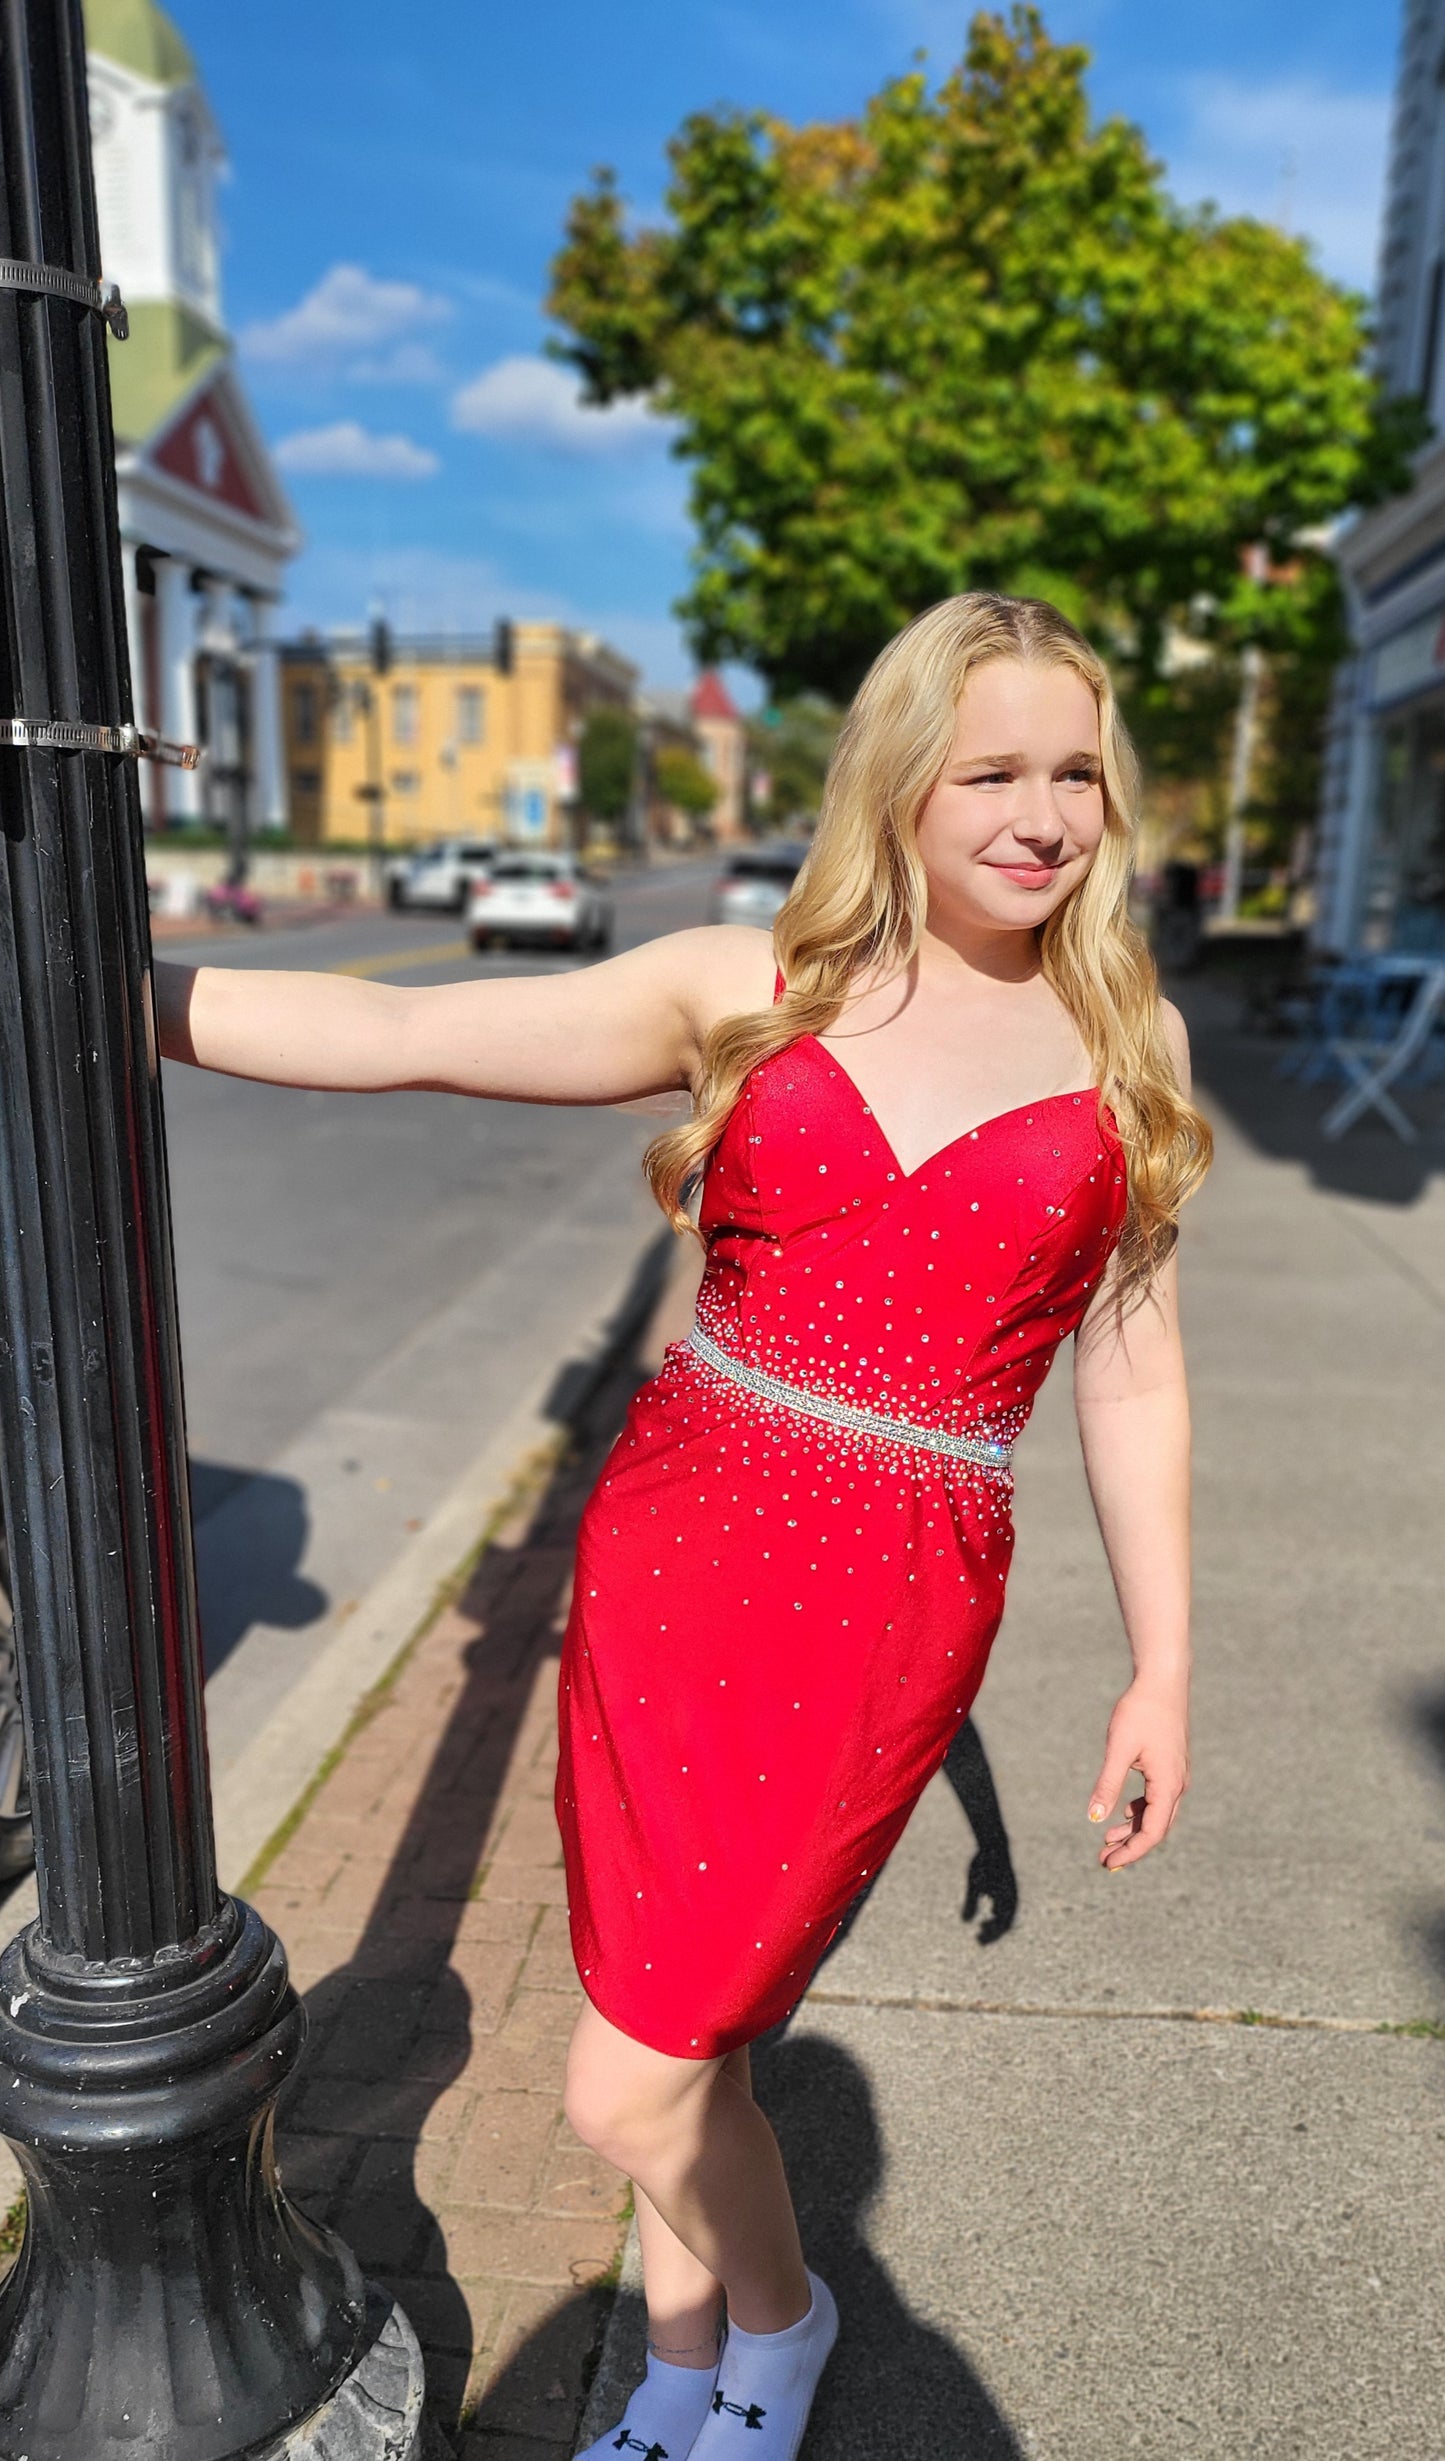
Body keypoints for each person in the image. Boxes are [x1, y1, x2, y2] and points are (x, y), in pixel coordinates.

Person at [156, 593, 1210, 2461]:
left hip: (889, 1597)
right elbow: (406, 1033)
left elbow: (1130, 1377)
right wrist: (123, 990)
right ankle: (673, 2372)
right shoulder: (753, 982)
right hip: (670, 1556)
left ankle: (779, 2339)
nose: (1042, 814)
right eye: (992, 769)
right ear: (898, 780)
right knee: (670, 2019)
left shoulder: (1123, 1034)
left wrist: (1162, 1667)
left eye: (1075, 771)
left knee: (628, 2082)